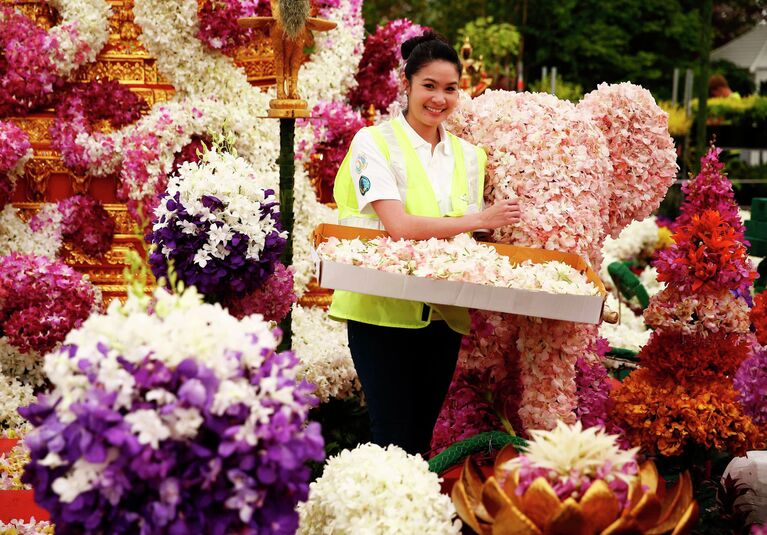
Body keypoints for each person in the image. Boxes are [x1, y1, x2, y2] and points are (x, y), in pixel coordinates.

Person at [328, 31, 521, 456]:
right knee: (391, 436)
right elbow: (396, 224)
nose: (439, 99)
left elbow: (466, 233)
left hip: (442, 317)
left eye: (450, 88)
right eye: (428, 86)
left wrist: (495, 232)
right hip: (381, 313)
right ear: (407, 84)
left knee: (419, 439)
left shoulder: (471, 157)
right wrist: (479, 219)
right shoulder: (372, 143)